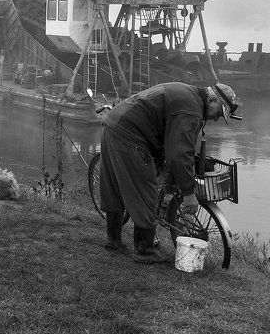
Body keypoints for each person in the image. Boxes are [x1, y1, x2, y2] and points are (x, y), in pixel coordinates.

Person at [99, 82, 242, 264]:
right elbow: (180, 153)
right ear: (212, 99)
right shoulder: (191, 111)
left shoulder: (188, 93)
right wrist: (189, 193)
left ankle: (114, 242)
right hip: (130, 136)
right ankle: (145, 251)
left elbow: (169, 140)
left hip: (113, 123)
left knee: (113, 188)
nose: (216, 118)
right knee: (145, 192)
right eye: (219, 112)